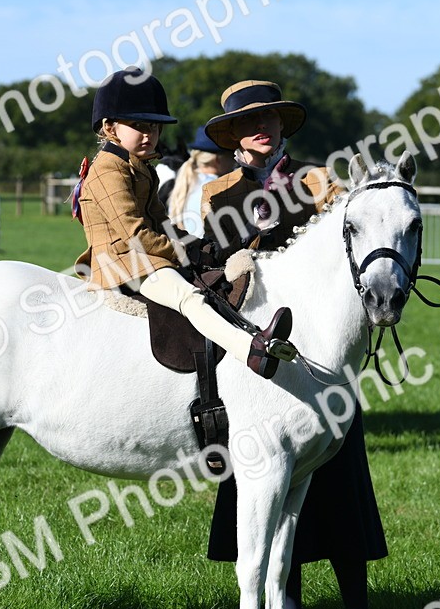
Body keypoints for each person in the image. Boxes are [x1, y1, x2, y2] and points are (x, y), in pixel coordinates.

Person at [200, 79, 387, 609]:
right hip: (254, 352)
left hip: (321, 351)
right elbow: (209, 260)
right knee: (268, 483)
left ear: (284, 126)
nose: (264, 128)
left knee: (341, 479)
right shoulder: (215, 192)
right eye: (250, 122)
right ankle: (285, 607)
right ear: (233, 134)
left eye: (273, 119)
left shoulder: (317, 181)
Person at [72, 68, 296, 380]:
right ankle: (250, 351)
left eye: (154, 126)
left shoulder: (140, 168)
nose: (150, 134)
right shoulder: (109, 170)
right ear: (109, 127)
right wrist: (184, 254)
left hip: (144, 258)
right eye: (138, 126)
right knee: (190, 297)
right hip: (123, 264)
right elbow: (135, 234)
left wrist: (200, 246)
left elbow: (162, 223)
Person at [200, 80, 342, 252]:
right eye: (247, 117)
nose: (261, 124)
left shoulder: (323, 177)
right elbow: (217, 259)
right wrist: (262, 218)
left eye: (268, 114)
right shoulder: (216, 193)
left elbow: (346, 240)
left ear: (281, 123)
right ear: (233, 132)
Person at [167, 125, 235, 238]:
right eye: (231, 155)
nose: (234, 161)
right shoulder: (218, 188)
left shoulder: (186, 183)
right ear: (218, 160)